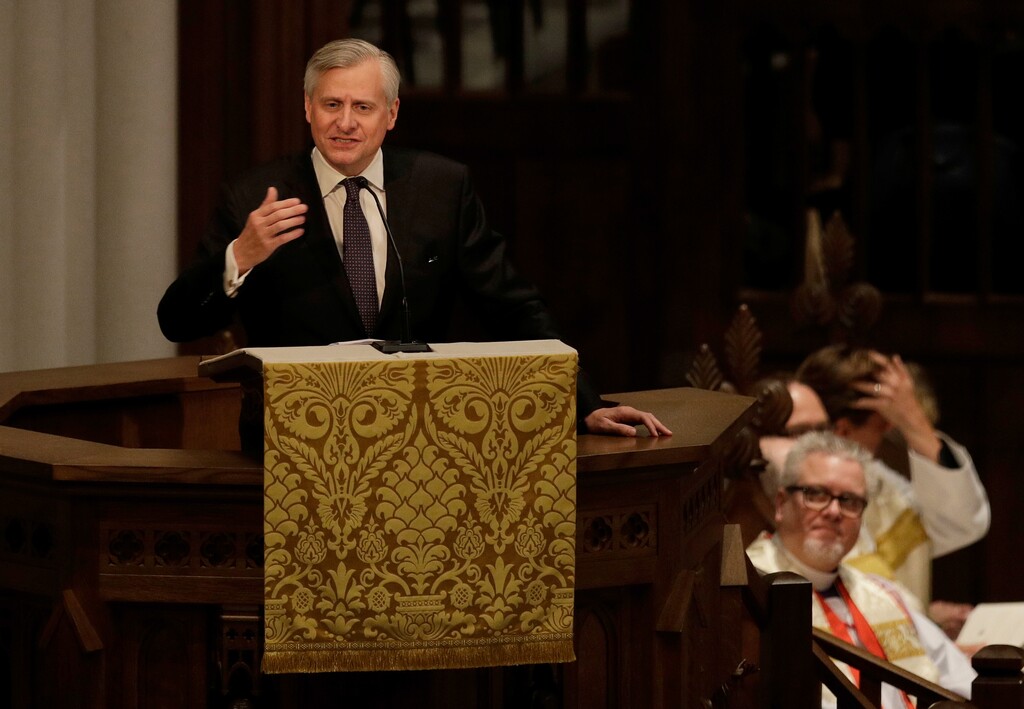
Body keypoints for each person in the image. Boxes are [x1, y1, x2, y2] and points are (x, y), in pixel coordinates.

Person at [158, 38, 670, 441]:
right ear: (308, 108)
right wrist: (240, 256)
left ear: (392, 114)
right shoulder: (254, 196)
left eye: (363, 107)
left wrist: (585, 405)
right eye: (331, 104)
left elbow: (512, 308)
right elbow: (178, 320)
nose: (345, 122)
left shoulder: (440, 188)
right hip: (293, 441)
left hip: (421, 438)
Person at [747, 431, 976, 707]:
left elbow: (961, 681)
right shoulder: (749, 590)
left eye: (849, 500)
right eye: (816, 494)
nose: (834, 511)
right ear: (781, 503)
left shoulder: (881, 594)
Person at [793, 346, 989, 608]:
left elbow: (963, 523)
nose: (890, 429)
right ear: (842, 431)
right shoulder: (793, 497)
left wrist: (916, 424)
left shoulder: (885, 488)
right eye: (883, 423)